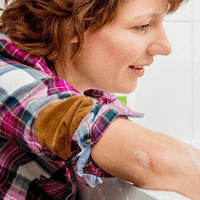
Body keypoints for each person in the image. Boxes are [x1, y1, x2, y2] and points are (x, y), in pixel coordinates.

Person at [0, 0, 199, 199]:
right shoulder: (6, 76)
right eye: (142, 26)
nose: (165, 47)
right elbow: (153, 161)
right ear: (74, 26)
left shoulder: (87, 95)